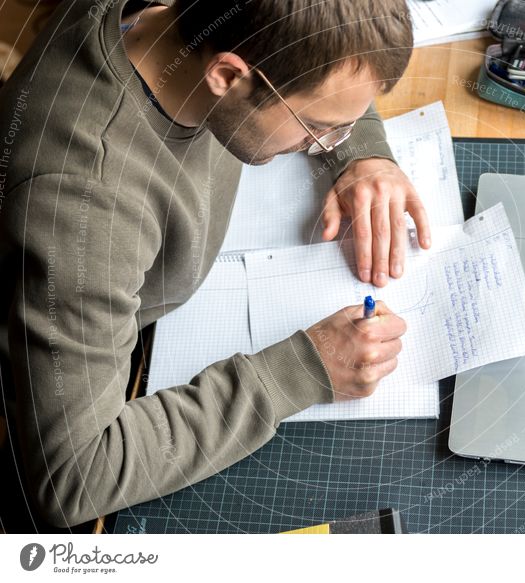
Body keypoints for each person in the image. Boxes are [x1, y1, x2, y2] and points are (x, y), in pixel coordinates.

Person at [0, 0, 430, 528]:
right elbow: (74, 476)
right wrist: (299, 371)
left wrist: (364, 154)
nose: (322, 144)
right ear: (227, 74)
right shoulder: (86, 208)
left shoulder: (205, 25)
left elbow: (321, 55)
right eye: (318, 128)